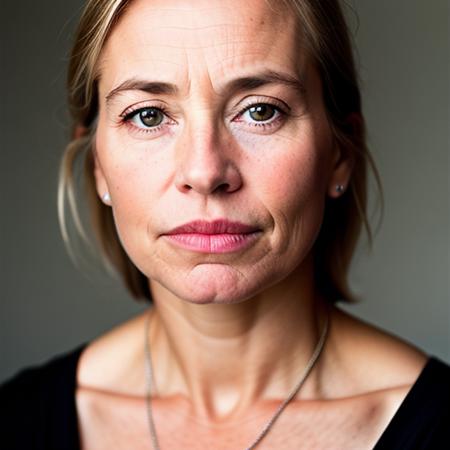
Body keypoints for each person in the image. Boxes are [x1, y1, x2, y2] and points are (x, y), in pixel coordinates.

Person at [1, 0, 449, 448]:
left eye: (260, 110)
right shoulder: (17, 422)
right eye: (149, 115)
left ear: (338, 156)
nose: (205, 172)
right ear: (98, 164)